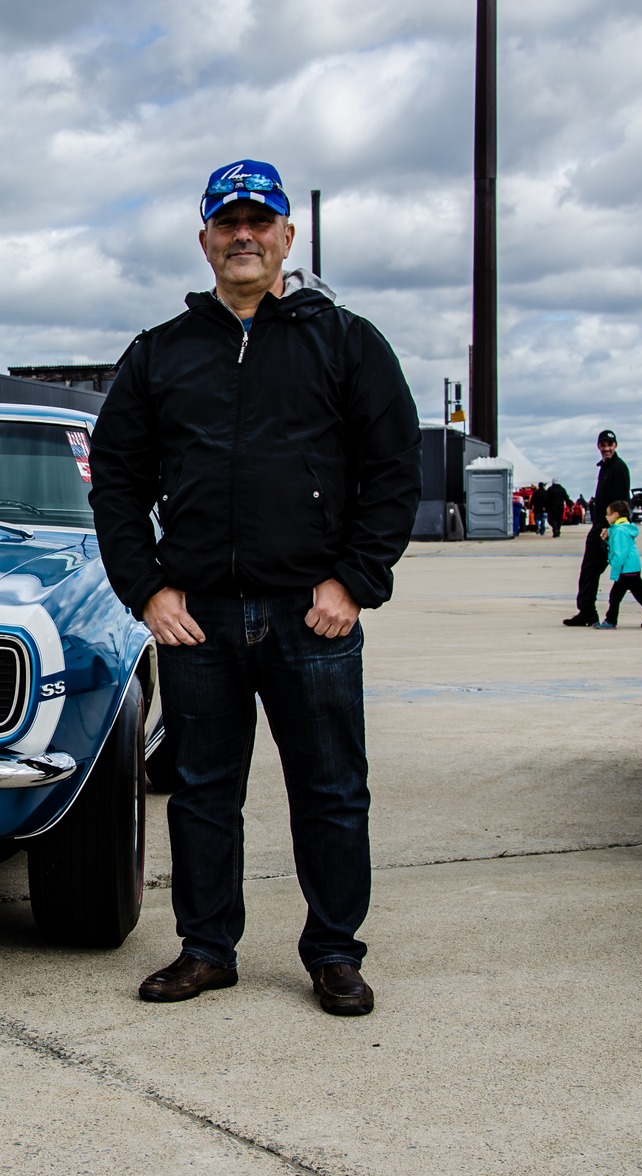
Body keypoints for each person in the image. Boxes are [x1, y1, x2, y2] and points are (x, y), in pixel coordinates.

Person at [88, 159, 421, 1017]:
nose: (244, 235)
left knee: (332, 788)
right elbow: (116, 482)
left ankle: (335, 953)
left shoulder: (345, 341)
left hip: (313, 618)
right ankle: (206, 949)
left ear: (286, 236)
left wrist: (354, 581)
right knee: (203, 790)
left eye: (259, 221)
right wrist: (148, 591)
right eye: (227, 222)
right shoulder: (161, 352)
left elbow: (393, 471)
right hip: (198, 619)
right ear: (204, 239)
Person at [564, 430, 630, 625]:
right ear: (598, 447)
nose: (607, 448)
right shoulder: (606, 467)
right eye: (603, 445)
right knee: (617, 573)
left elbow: (621, 502)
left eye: (610, 444)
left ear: (616, 445)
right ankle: (587, 610)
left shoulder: (618, 468)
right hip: (602, 527)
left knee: (614, 573)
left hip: (606, 530)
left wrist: (612, 529)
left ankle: (587, 612)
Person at [593, 500, 642, 628]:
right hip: (632, 566)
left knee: (616, 596)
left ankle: (611, 620)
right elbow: (620, 546)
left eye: (608, 514)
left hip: (626, 568)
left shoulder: (619, 530)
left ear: (616, 515)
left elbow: (620, 552)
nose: (606, 517)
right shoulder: (624, 528)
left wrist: (615, 568)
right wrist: (608, 539)